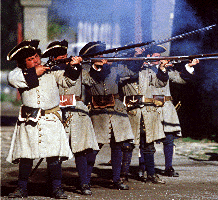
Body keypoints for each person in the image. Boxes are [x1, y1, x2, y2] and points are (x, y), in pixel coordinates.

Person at [6, 39, 82, 199]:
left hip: (51, 120)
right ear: (22, 63)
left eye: (35, 56)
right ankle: (22, 188)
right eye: (30, 59)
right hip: (29, 120)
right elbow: (13, 79)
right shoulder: (17, 74)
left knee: (54, 157)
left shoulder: (52, 72)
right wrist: (35, 72)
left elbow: (68, 80)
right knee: (26, 157)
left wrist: (74, 66)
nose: (35, 60)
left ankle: (56, 188)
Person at [41, 40, 99, 195]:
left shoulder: (77, 68)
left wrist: (95, 67)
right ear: (53, 57)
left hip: (77, 111)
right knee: (55, 152)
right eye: (59, 55)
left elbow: (90, 81)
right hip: (56, 113)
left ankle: (84, 183)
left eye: (64, 54)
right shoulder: (47, 71)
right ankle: (54, 184)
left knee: (81, 151)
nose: (64, 56)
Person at [136, 45, 199, 178]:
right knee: (146, 139)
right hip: (149, 107)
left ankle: (168, 167)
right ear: (148, 57)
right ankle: (142, 167)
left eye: (160, 56)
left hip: (166, 107)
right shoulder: (141, 69)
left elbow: (181, 79)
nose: (159, 59)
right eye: (156, 56)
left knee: (169, 139)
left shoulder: (166, 70)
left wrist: (189, 66)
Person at [80, 41, 135, 190]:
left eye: (102, 54)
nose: (101, 57)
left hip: (116, 110)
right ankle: (85, 181)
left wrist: (135, 57)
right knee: (94, 148)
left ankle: (116, 179)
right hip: (98, 112)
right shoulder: (85, 69)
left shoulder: (113, 67)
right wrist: (98, 66)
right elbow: (89, 80)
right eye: (97, 55)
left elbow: (132, 72)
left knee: (117, 146)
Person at [120, 47, 170, 184]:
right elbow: (125, 77)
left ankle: (151, 174)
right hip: (132, 112)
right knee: (128, 145)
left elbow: (160, 83)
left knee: (149, 145)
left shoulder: (149, 71)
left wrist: (162, 70)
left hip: (148, 113)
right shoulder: (124, 69)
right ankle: (123, 174)